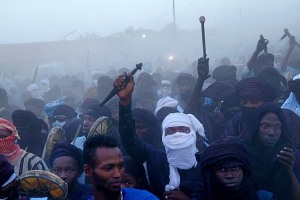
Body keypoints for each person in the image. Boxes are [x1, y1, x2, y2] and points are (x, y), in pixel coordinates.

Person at [115, 72, 205, 199]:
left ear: (192, 133)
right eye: (171, 131)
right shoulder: (157, 158)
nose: (177, 135)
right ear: (163, 135)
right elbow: (130, 139)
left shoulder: (204, 163)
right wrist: (125, 102)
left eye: (182, 130)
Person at [246, 103, 300, 200]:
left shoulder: (292, 155)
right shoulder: (245, 155)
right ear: (255, 128)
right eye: (265, 126)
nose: (272, 133)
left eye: (277, 127)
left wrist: (289, 170)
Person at [194, 137, 272, 200]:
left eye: (235, 168)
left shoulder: (265, 198)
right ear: (212, 173)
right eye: (222, 170)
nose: (229, 175)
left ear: (244, 169)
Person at [83, 134, 159, 200]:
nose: (118, 174)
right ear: (88, 170)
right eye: (108, 168)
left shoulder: (144, 198)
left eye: (121, 166)